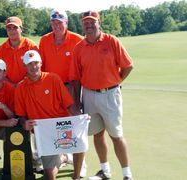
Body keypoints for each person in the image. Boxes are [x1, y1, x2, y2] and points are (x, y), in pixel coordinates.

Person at [70, 10, 134, 180]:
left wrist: (116, 81)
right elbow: (75, 78)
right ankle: (105, 171)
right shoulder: (79, 48)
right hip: (89, 95)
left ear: (99, 23)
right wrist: (77, 102)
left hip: (110, 94)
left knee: (116, 135)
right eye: (86, 23)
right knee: (97, 134)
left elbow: (128, 65)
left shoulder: (111, 41)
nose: (89, 25)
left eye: (92, 22)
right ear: (82, 25)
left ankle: (127, 174)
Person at [15, 50, 85, 180]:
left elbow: (69, 105)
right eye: (29, 64)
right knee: (49, 177)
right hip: (43, 133)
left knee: (80, 141)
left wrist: (80, 118)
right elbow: (21, 115)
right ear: (24, 66)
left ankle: (76, 177)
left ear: (41, 63)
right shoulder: (20, 87)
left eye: (36, 63)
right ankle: (64, 157)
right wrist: (24, 122)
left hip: (62, 127)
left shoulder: (53, 78)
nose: (33, 67)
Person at [39, 9, 86, 177]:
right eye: (54, 23)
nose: (57, 26)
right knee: (53, 123)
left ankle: (80, 163)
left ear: (66, 23)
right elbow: (41, 68)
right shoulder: (44, 40)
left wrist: (78, 92)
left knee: (74, 123)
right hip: (51, 88)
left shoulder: (77, 40)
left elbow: (83, 66)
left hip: (72, 87)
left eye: (60, 22)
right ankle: (58, 156)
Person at [0, 16, 38, 85]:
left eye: (15, 28)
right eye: (9, 28)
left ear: (21, 29)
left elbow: (36, 69)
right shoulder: (1, 49)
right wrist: (12, 85)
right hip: (8, 87)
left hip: (28, 85)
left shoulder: (31, 46)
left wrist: (21, 84)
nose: (12, 31)